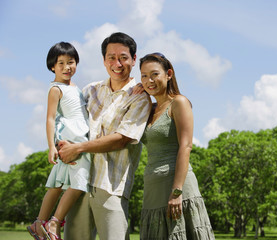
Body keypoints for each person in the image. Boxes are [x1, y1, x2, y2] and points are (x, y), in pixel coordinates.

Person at [58, 32, 151, 240]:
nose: (117, 63)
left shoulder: (139, 98)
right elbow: (71, 124)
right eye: (111, 57)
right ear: (103, 60)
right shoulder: (90, 90)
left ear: (134, 60)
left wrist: (78, 148)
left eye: (123, 57)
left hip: (111, 185)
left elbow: (122, 139)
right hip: (78, 181)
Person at [138, 53, 215, 239]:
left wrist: (176, 192)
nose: (149, 80)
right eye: (144, 76)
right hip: (152, 190)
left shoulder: (179, 103)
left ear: (169, 74)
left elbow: (186, 146)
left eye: (155, 74)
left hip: (177, 187)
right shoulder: (149, 109)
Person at [27, 42, 91, 240]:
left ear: (76, 63)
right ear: (52, 66)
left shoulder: (75, 87)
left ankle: (38, 223)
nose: (66, 67)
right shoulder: (55, 89)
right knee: (80, 183)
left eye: (70, 62)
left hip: (80, 138)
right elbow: (50, 118)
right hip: (71, 140)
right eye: (60, 63)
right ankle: (54, 223)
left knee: (56, 184)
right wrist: (50, 146)